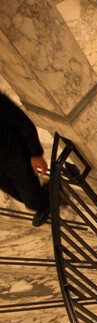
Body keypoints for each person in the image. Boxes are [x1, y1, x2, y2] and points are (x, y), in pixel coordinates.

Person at [0, 92, 50, 226]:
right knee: (17, 195)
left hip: (15, 155)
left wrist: (36, 154)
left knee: (32, 200)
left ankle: (48, 197)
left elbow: (22, 122)